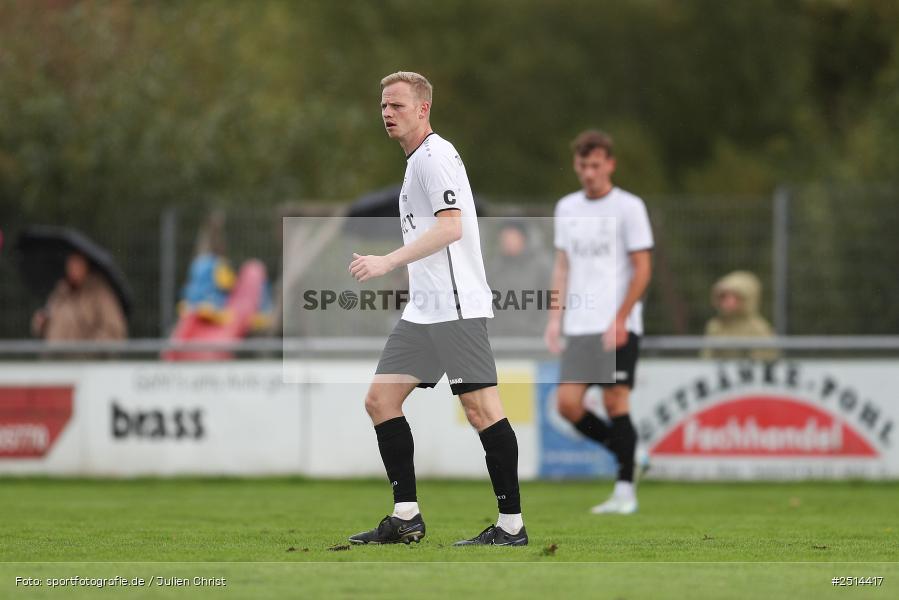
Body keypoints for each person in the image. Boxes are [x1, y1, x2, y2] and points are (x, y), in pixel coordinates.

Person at [346, 71, 527, 546]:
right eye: (383, 106)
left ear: (423, 109)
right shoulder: (415, 163)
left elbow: (451, 227)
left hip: (455, 305)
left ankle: (511, 526)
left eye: (397, 105)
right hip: (424, 310)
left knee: (482, 410)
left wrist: (388, 261)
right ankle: (406, 517)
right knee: (380, 401)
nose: (387, 113)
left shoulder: (435, 156)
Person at [544, 130, 653, 514]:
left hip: (617, 324)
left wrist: (621, 318)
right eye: (582, 165)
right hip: (580, 324)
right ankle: (630, 452)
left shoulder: (629, 207)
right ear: (576, 165)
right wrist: (554, 319)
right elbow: (562, 267)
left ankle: (625, 492)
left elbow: (642, 269)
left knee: (614, 399)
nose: (589, 173)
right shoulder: (567, 207)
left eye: (595, 165)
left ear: (610, 165)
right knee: (567, 404)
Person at [32, 252, 128, 341]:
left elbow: (114, 331)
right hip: (55, 354)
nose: (73, 269)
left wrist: (90, 348)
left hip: (85, 354)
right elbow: (47, 327)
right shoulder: (59, 292)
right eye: (70, 264)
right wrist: (41, 324)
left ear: (87, 266)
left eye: (78, 264)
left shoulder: (101, 294)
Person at [485, 220, 552, 336]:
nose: (508, 242)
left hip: (534, 338)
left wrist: (537, 330)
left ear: (523, 239)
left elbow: (550, 302)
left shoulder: (542, 267)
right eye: (504, 238)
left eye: (512, 237)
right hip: (499, 338)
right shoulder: (493, 268)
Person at [701, 270, 778, 360]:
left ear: (747, 298)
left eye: (733, 296)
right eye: (724, 296)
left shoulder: (759, 328)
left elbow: (766, 359)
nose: (727, 301)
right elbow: (706, 357)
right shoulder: (715, 326)